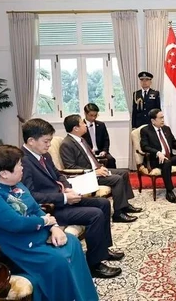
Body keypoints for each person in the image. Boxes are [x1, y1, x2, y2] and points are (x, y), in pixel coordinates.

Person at [0, 145, 99, 301]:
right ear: (4, 173)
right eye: (19, 165)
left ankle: (82, 295)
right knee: (58, 261)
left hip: (36, 233)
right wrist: (45, 220)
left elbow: (35, 208)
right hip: (17, 245)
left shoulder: (17, 184)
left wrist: (54, 228)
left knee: (72, 242)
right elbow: (16, 224)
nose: (22, 168)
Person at [21, 118, 122, 278]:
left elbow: (58, 174)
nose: (49, 145)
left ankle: (103, 250)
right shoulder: (23, 162)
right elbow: (31, 195)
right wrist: (64, 198)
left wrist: (67, 187)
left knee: (103, 203)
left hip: (63, 198)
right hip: (51, 209)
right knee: (95, 214)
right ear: (31, 141)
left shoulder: (44, 155)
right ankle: (94, 265)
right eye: (46, 141)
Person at [60, 114, 142, 223]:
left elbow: (90, 158)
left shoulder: (81, 140)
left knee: (123, 173)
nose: (85, 125)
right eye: (82, 123)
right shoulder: (67, 144)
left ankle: (124, 205)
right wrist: (94, 172)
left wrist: (100, 167)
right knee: (117, 179)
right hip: (86, 176)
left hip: (95, 170)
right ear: (75, 128)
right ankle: (118, 214)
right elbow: (70, 167)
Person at [82, 103, 117, 168]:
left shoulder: (101, 125)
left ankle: (113, 177)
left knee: (111, 160)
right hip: (87, 153)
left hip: (100, 152)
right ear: (85, 114)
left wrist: (104, 150)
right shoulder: (81, 126)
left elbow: (106, 140)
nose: (93, 118)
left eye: (95, 115)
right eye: (91, 115)